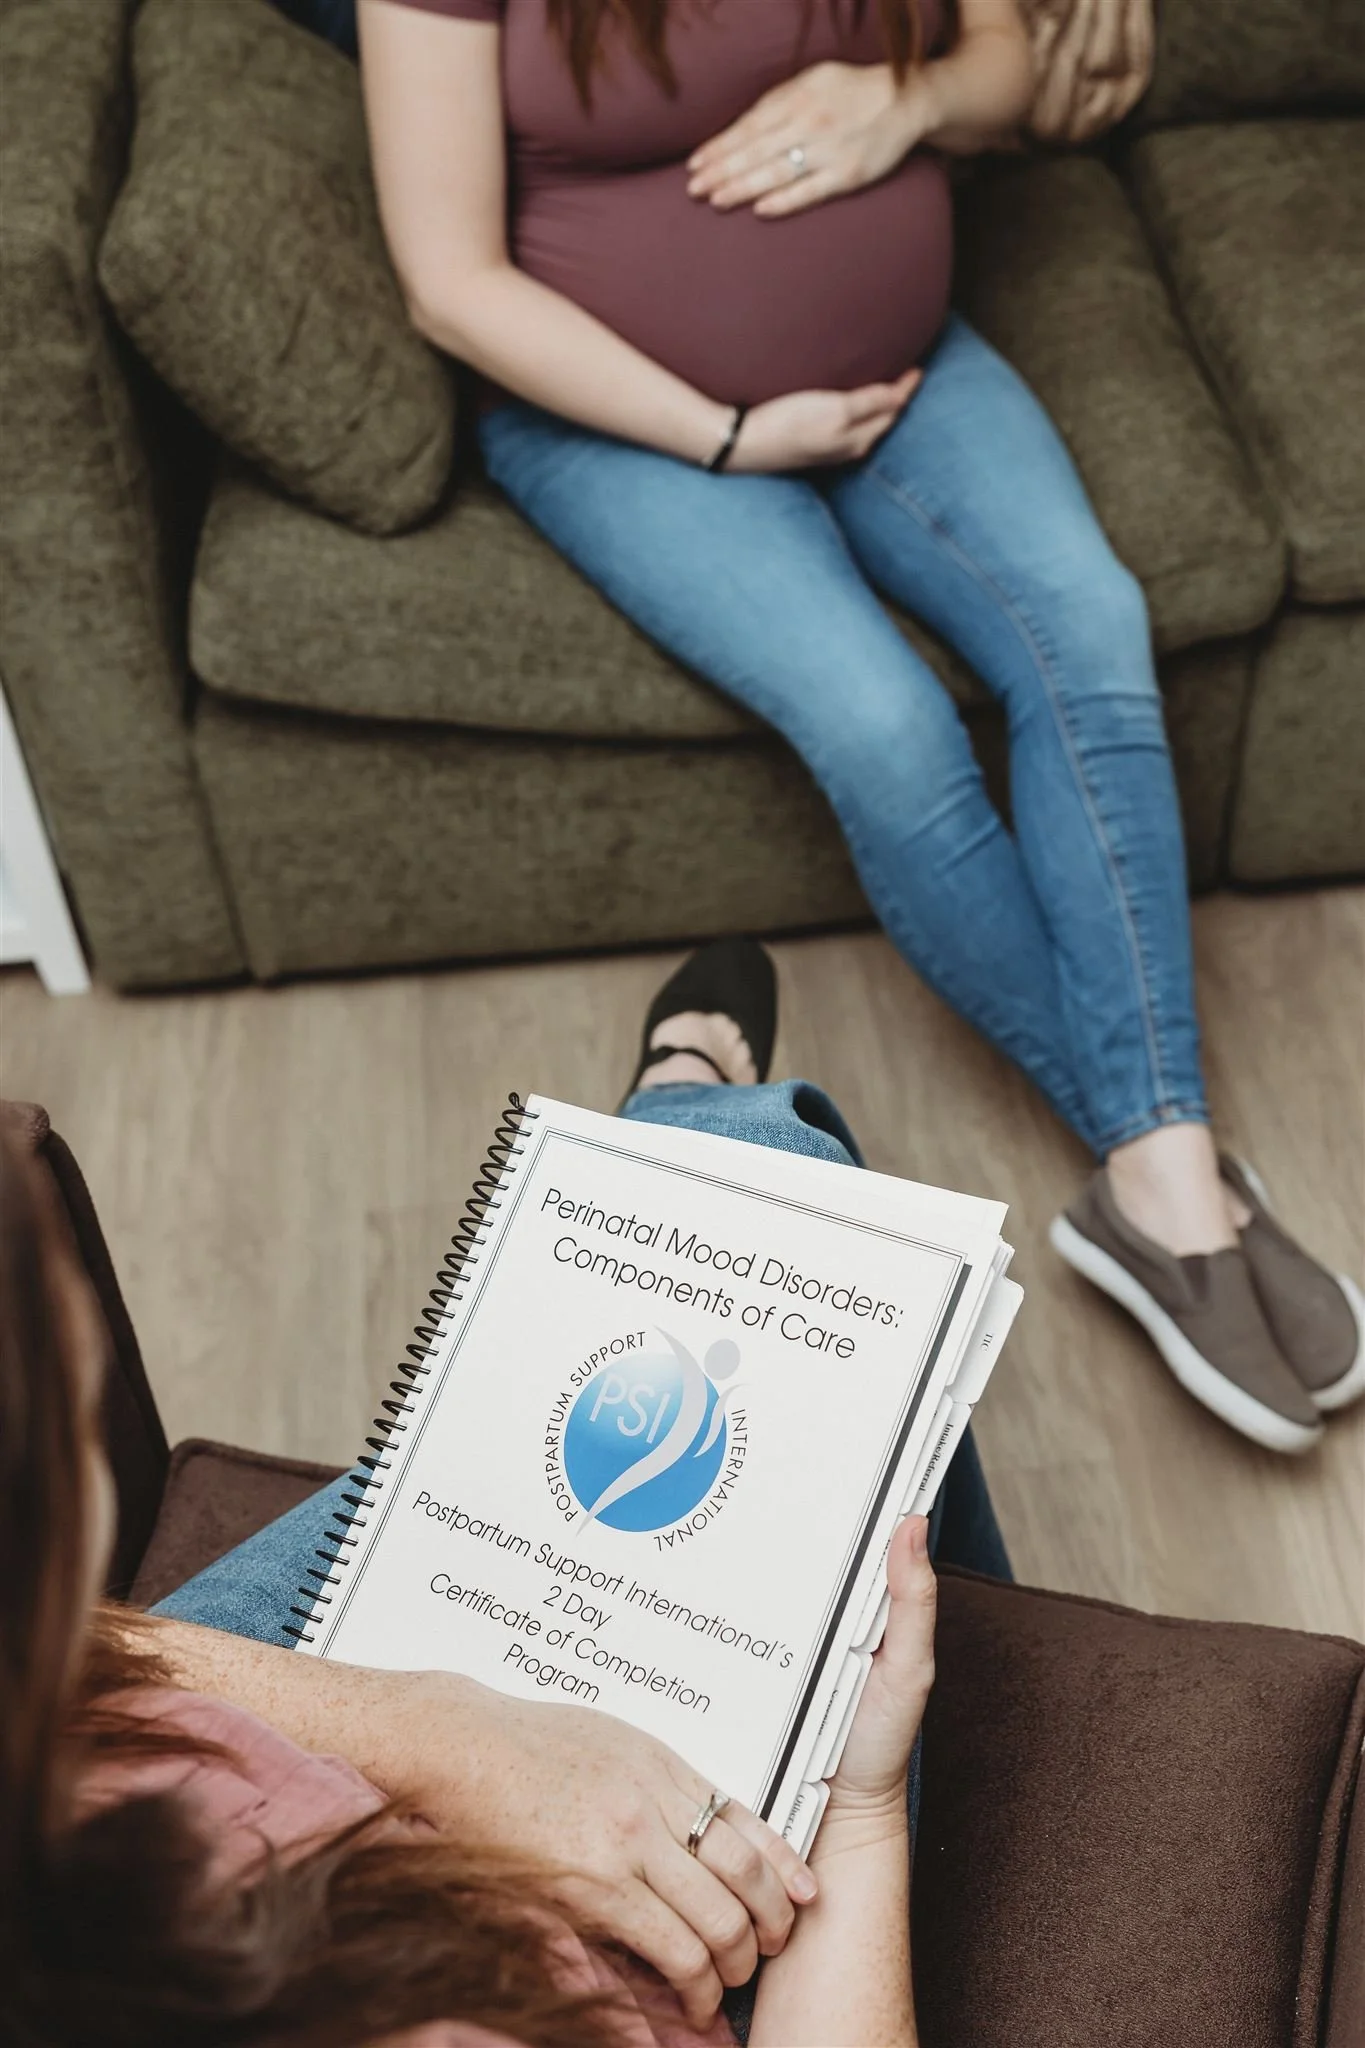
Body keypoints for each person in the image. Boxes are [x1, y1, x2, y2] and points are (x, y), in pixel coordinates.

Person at [349, 0, 1362, 1455]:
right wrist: (727, 435)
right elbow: (448, 283)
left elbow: (1011, 58)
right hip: (632, 421)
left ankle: (1164, 1190)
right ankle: (1183, 1187)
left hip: (905, 369)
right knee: (885, 727)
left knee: (1091, 627)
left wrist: (911, 103)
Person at [3, 942, 1009, 2047]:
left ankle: (678, 1101)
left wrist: (437, 1732)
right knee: (785, 1170)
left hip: (118, 1745)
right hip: (396, 1906)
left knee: (765, 1231)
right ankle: (680, 1093)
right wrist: (858, 1806)